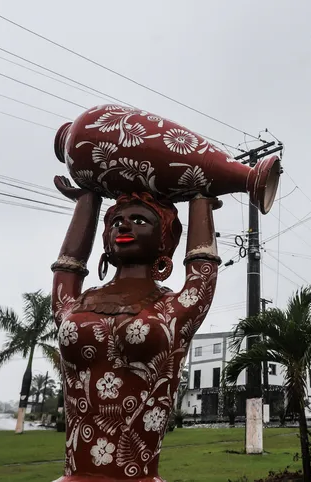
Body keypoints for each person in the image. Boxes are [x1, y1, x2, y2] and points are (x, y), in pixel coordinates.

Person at [50, 177, 220, 481]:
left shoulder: (175, 308)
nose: (123, 227)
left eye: (139, 220)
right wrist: (87, 201)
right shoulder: (78, 302)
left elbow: (202, 269)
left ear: (165, 239)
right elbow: (67, 267)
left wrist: (201, 199)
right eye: (116, 222)